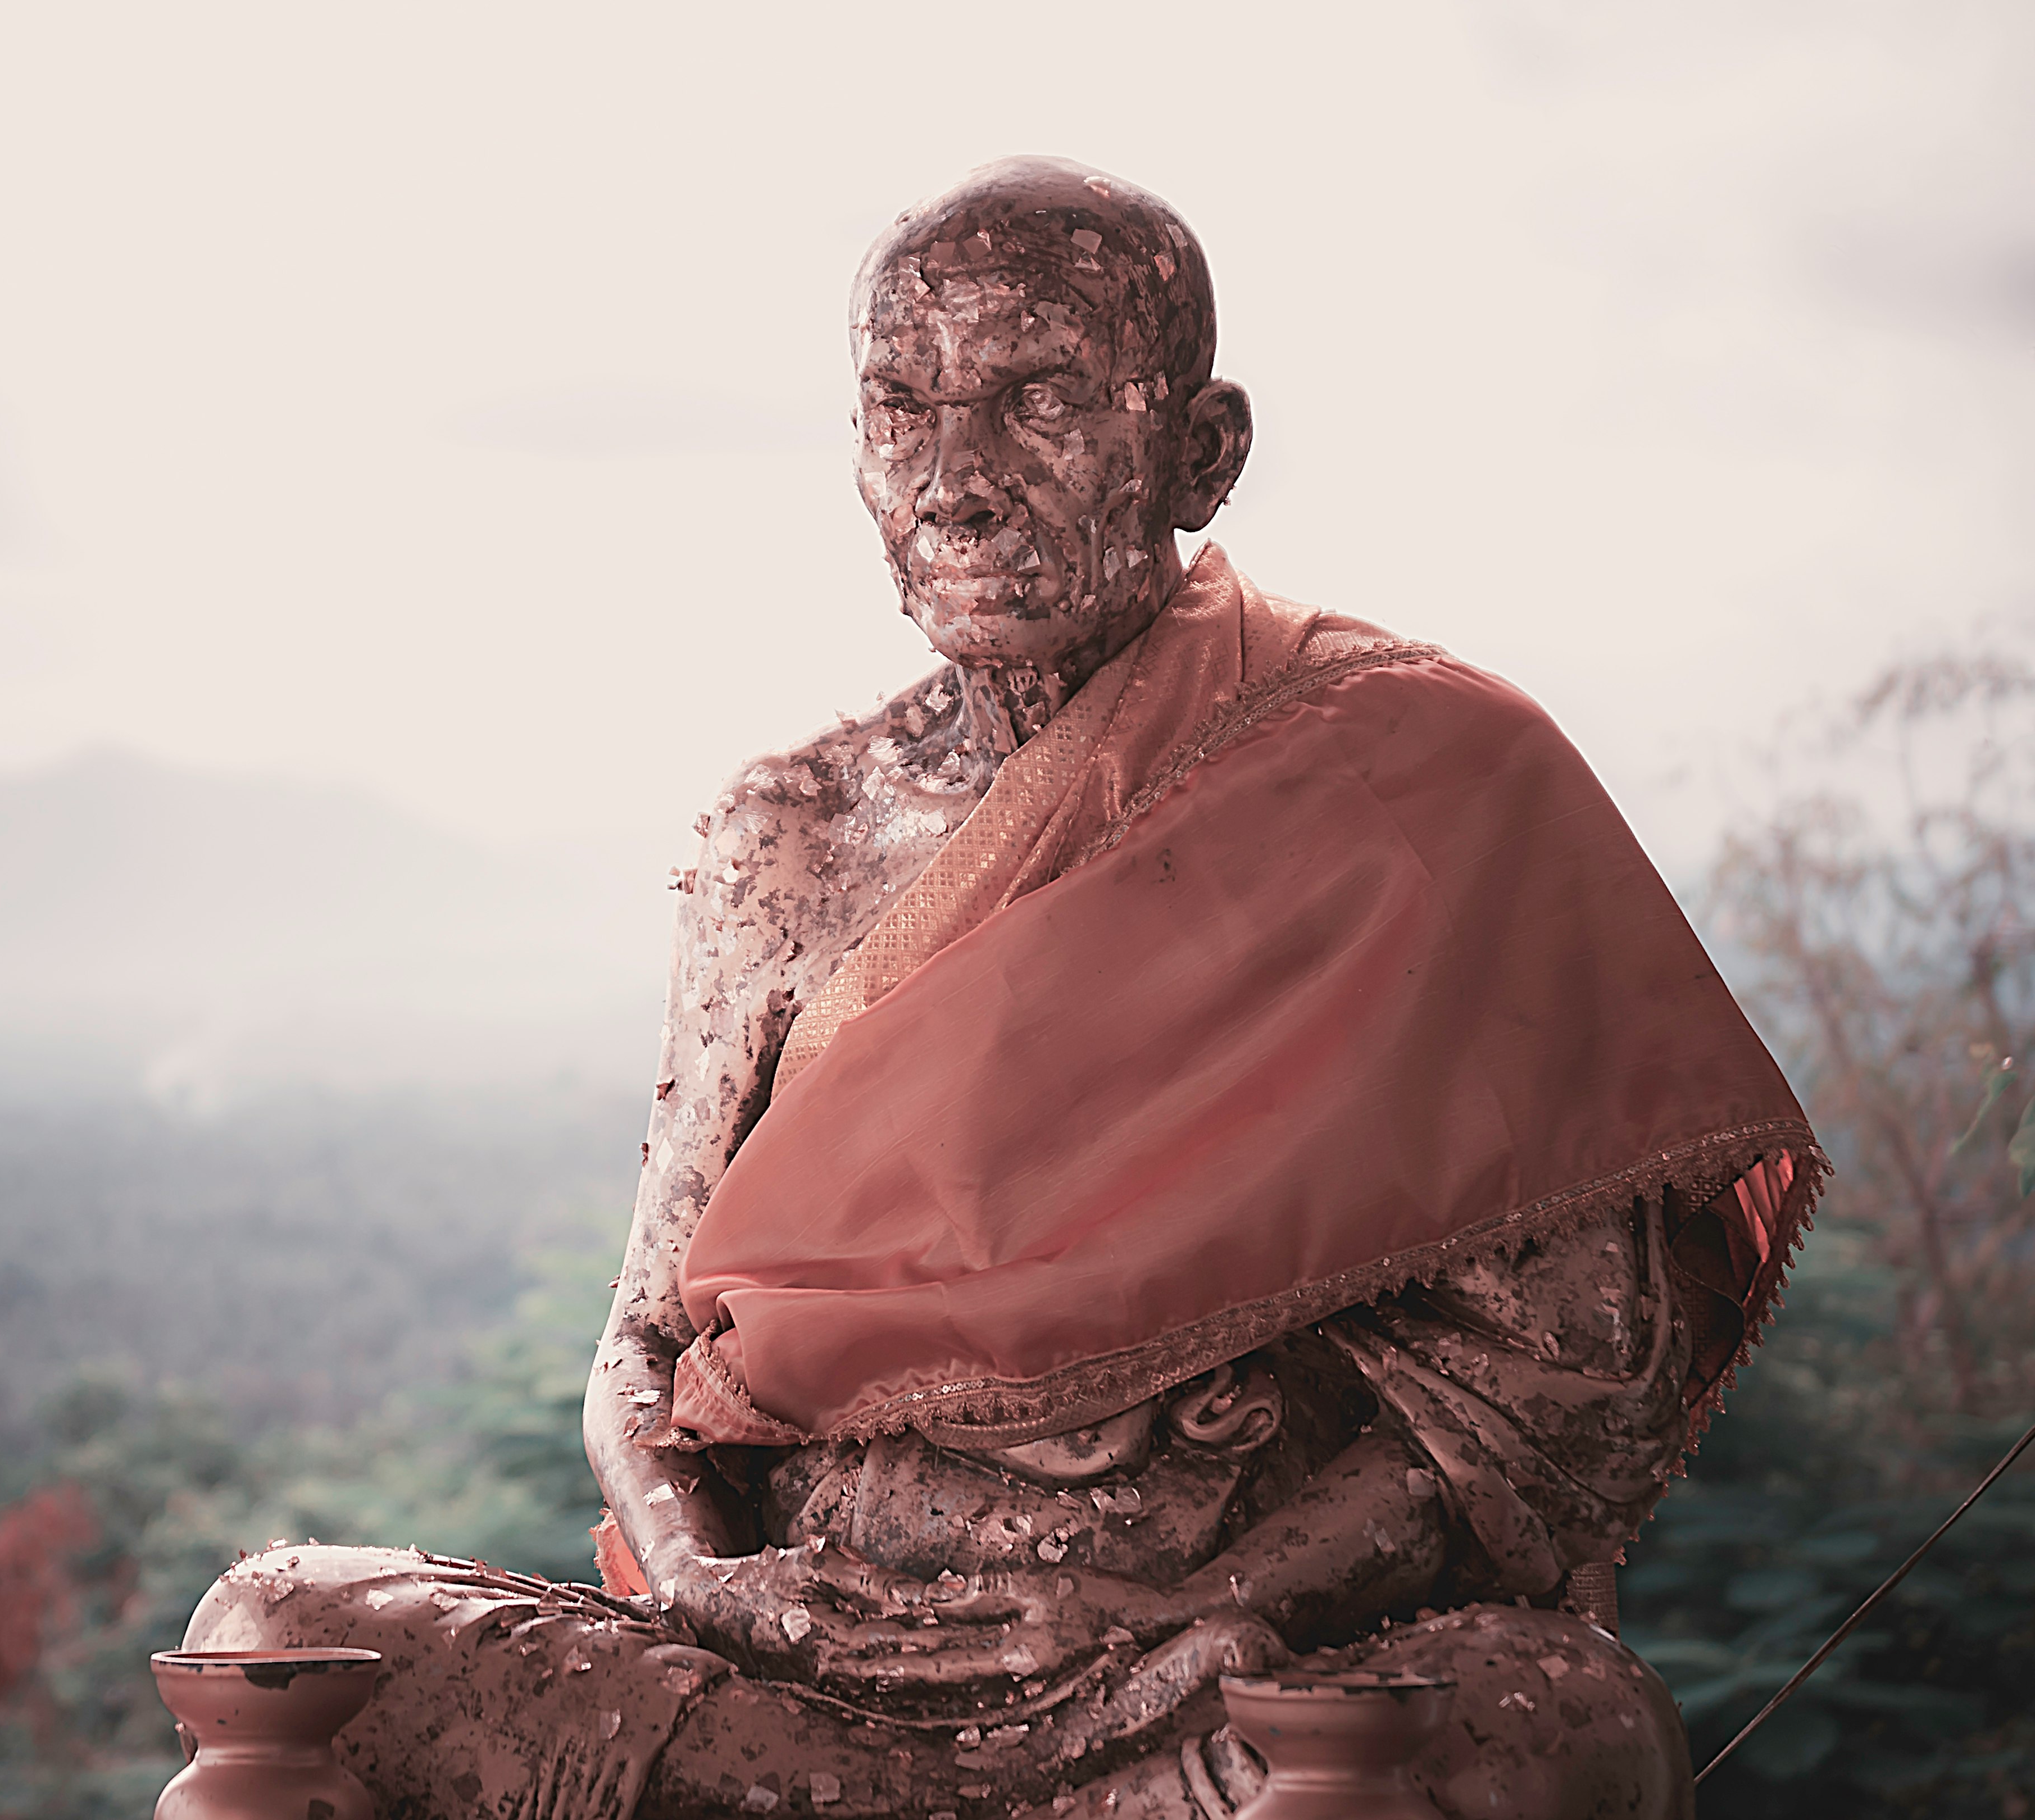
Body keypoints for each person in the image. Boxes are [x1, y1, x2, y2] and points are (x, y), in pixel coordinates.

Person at [184, 155, 1819, 1820]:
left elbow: (1564, 1367)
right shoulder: (789, 838)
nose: (954, 479)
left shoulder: (1417, 785)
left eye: (1036, 401)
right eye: (902, 410)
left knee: (1553, 1717)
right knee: (280, 1634)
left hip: (1201, 1693)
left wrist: (1213, 1610)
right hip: (802, 1690)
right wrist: (703, 1587)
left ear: (1203, 450)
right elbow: (649, 1338)